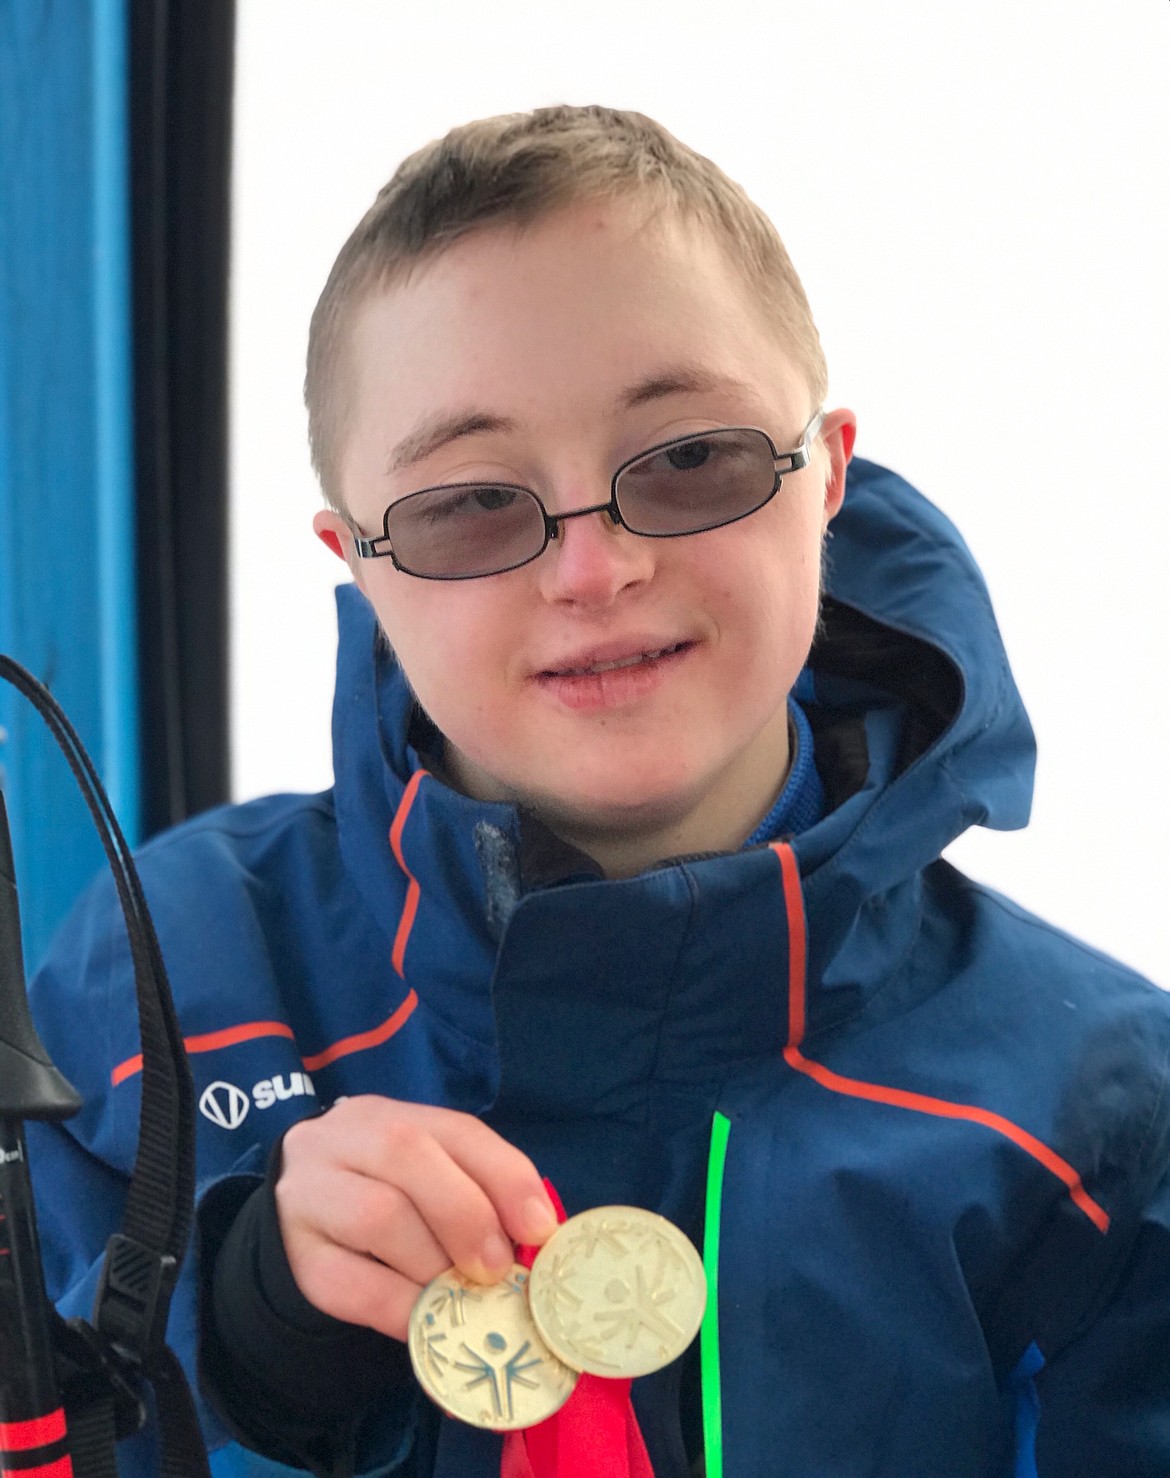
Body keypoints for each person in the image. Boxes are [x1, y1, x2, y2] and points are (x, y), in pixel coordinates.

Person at [26, 104, 1170, 1478]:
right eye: (471, 504)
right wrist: (247, 1327)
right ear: (357, 561)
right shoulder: (168, 964)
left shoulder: (1095, 1101)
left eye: (690, 460)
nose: (594, 568)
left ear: (828, 477)